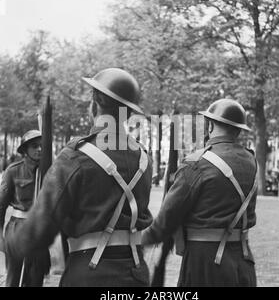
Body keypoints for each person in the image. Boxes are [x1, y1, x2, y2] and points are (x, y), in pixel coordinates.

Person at [5, 68, 153, 287]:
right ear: (129, 113)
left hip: (91, 274)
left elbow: (40, 228)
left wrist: (12, 243)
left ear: (95, 102)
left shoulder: (75, 156)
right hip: (136, 273)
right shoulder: (144, 158)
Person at [142, 98, 258, 287]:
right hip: (242, 261)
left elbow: (165, 222)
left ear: (210, 125)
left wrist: (136, 241)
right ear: (238, 129)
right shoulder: (251, 162)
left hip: (205, 263)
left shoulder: (198, 163)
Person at [0, 130, 51, 287]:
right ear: (25, 150)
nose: (40, 149)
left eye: (42, 146)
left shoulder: (50, 172)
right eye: (35, 146)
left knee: (36, 277)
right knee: (15, 278)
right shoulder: (13, 171)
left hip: (39, 231)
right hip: (18, 228)